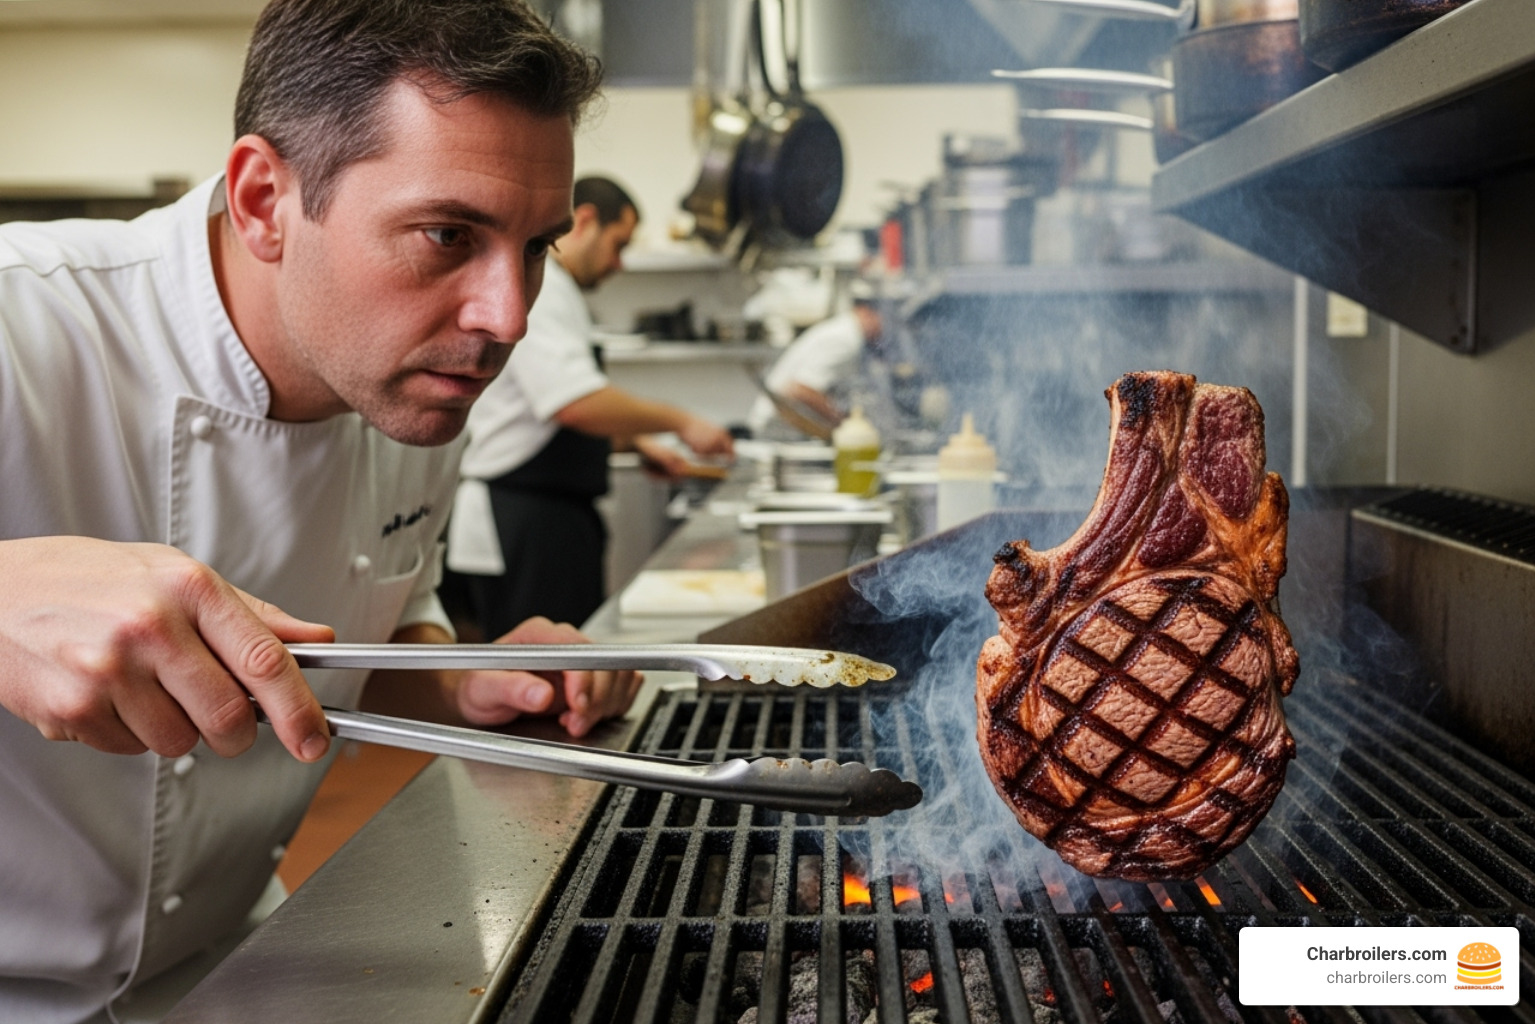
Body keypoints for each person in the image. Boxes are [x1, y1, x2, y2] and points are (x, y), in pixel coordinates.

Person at [0, 2, 644, 1020]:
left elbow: (373, 630)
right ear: (265, 200)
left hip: (228, 966)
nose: (505, 316)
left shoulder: (418, 382)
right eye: (448, 234)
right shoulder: (24, 323)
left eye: (535, 248)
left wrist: (466, 686)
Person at [444, 177, 735, 639]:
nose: (619, 263)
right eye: (618, 245)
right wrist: (682, 422)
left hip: (548, 515)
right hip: (526, 519)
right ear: (585, 221)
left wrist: (639, 444)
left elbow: (549, 404)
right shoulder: (546, 289)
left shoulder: (564, 293)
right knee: (542, 678)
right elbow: (573, 403)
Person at [748, 284, 886, 438]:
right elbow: (799, 389)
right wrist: (845, 422)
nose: (884, 330)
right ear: (867, 312)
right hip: (777, 431)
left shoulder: (845, 332)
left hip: (786, 430)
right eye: (884, 320)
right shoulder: (846, 339)